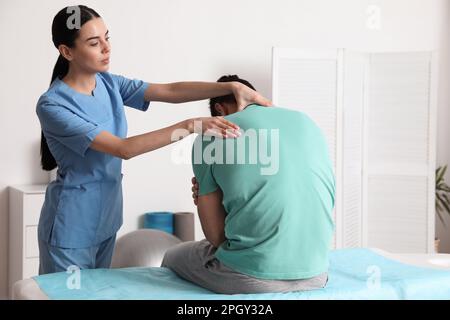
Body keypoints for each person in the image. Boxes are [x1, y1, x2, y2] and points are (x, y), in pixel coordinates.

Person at [36, 6, 271, 275]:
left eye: (107, 38)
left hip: (106, 220)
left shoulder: (109, 84)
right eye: (93, 42)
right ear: (67, 52)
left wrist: (230, 88)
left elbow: (170, 90)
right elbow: (123, 149)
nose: (106, 48)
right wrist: (190, 126)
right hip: (71, 228)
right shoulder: (53, 105)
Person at [161, 75, 335, 294]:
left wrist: (205, 201)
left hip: (249, 275)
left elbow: (216, 238)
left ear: (219, 110)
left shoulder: (212, 134)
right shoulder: (306, 122)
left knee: (171, 255)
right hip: (317, 273)